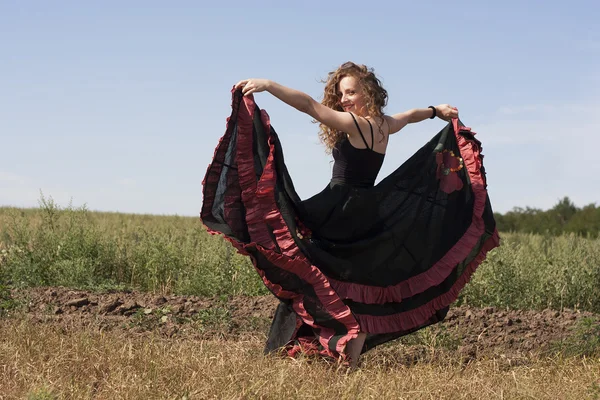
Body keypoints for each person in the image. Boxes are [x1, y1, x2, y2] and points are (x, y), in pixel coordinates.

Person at [201, 62, 499, 368]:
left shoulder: (357, 125)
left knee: (305, 270)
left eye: (351, 92)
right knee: (351, 282)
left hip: (338, 208)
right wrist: (436, 110)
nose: (345, 99)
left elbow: (309, 106)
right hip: (366, 210)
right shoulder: (384, 125)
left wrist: (269, 85)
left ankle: (298, 348)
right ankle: (346, 360)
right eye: (341, 93)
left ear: (368, 92)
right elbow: (409, 117)